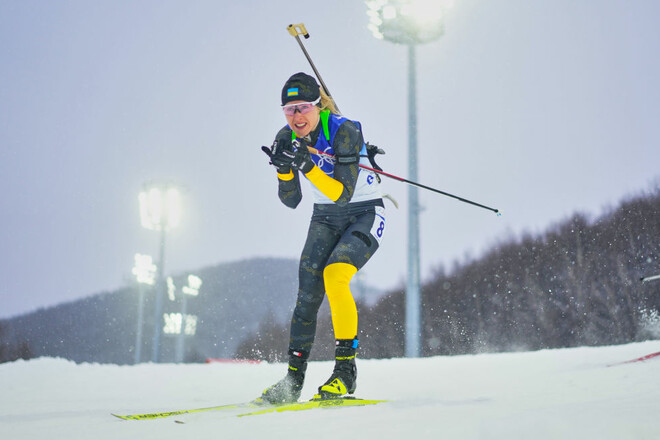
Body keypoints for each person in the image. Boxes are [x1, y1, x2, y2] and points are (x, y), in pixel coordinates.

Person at [259, 72, 386, 402]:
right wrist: (283, 168)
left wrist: (307, 165)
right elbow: (292, 200)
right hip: (324, 217)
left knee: (335, 274)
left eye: (303, 107)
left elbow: (342, 194)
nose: (297, 117)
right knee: (307, 294)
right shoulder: (285, 136)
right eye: (289, 110)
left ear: (318, 106)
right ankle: (293, 380)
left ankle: (345, 373)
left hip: (364, 212)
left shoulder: (344, 130)